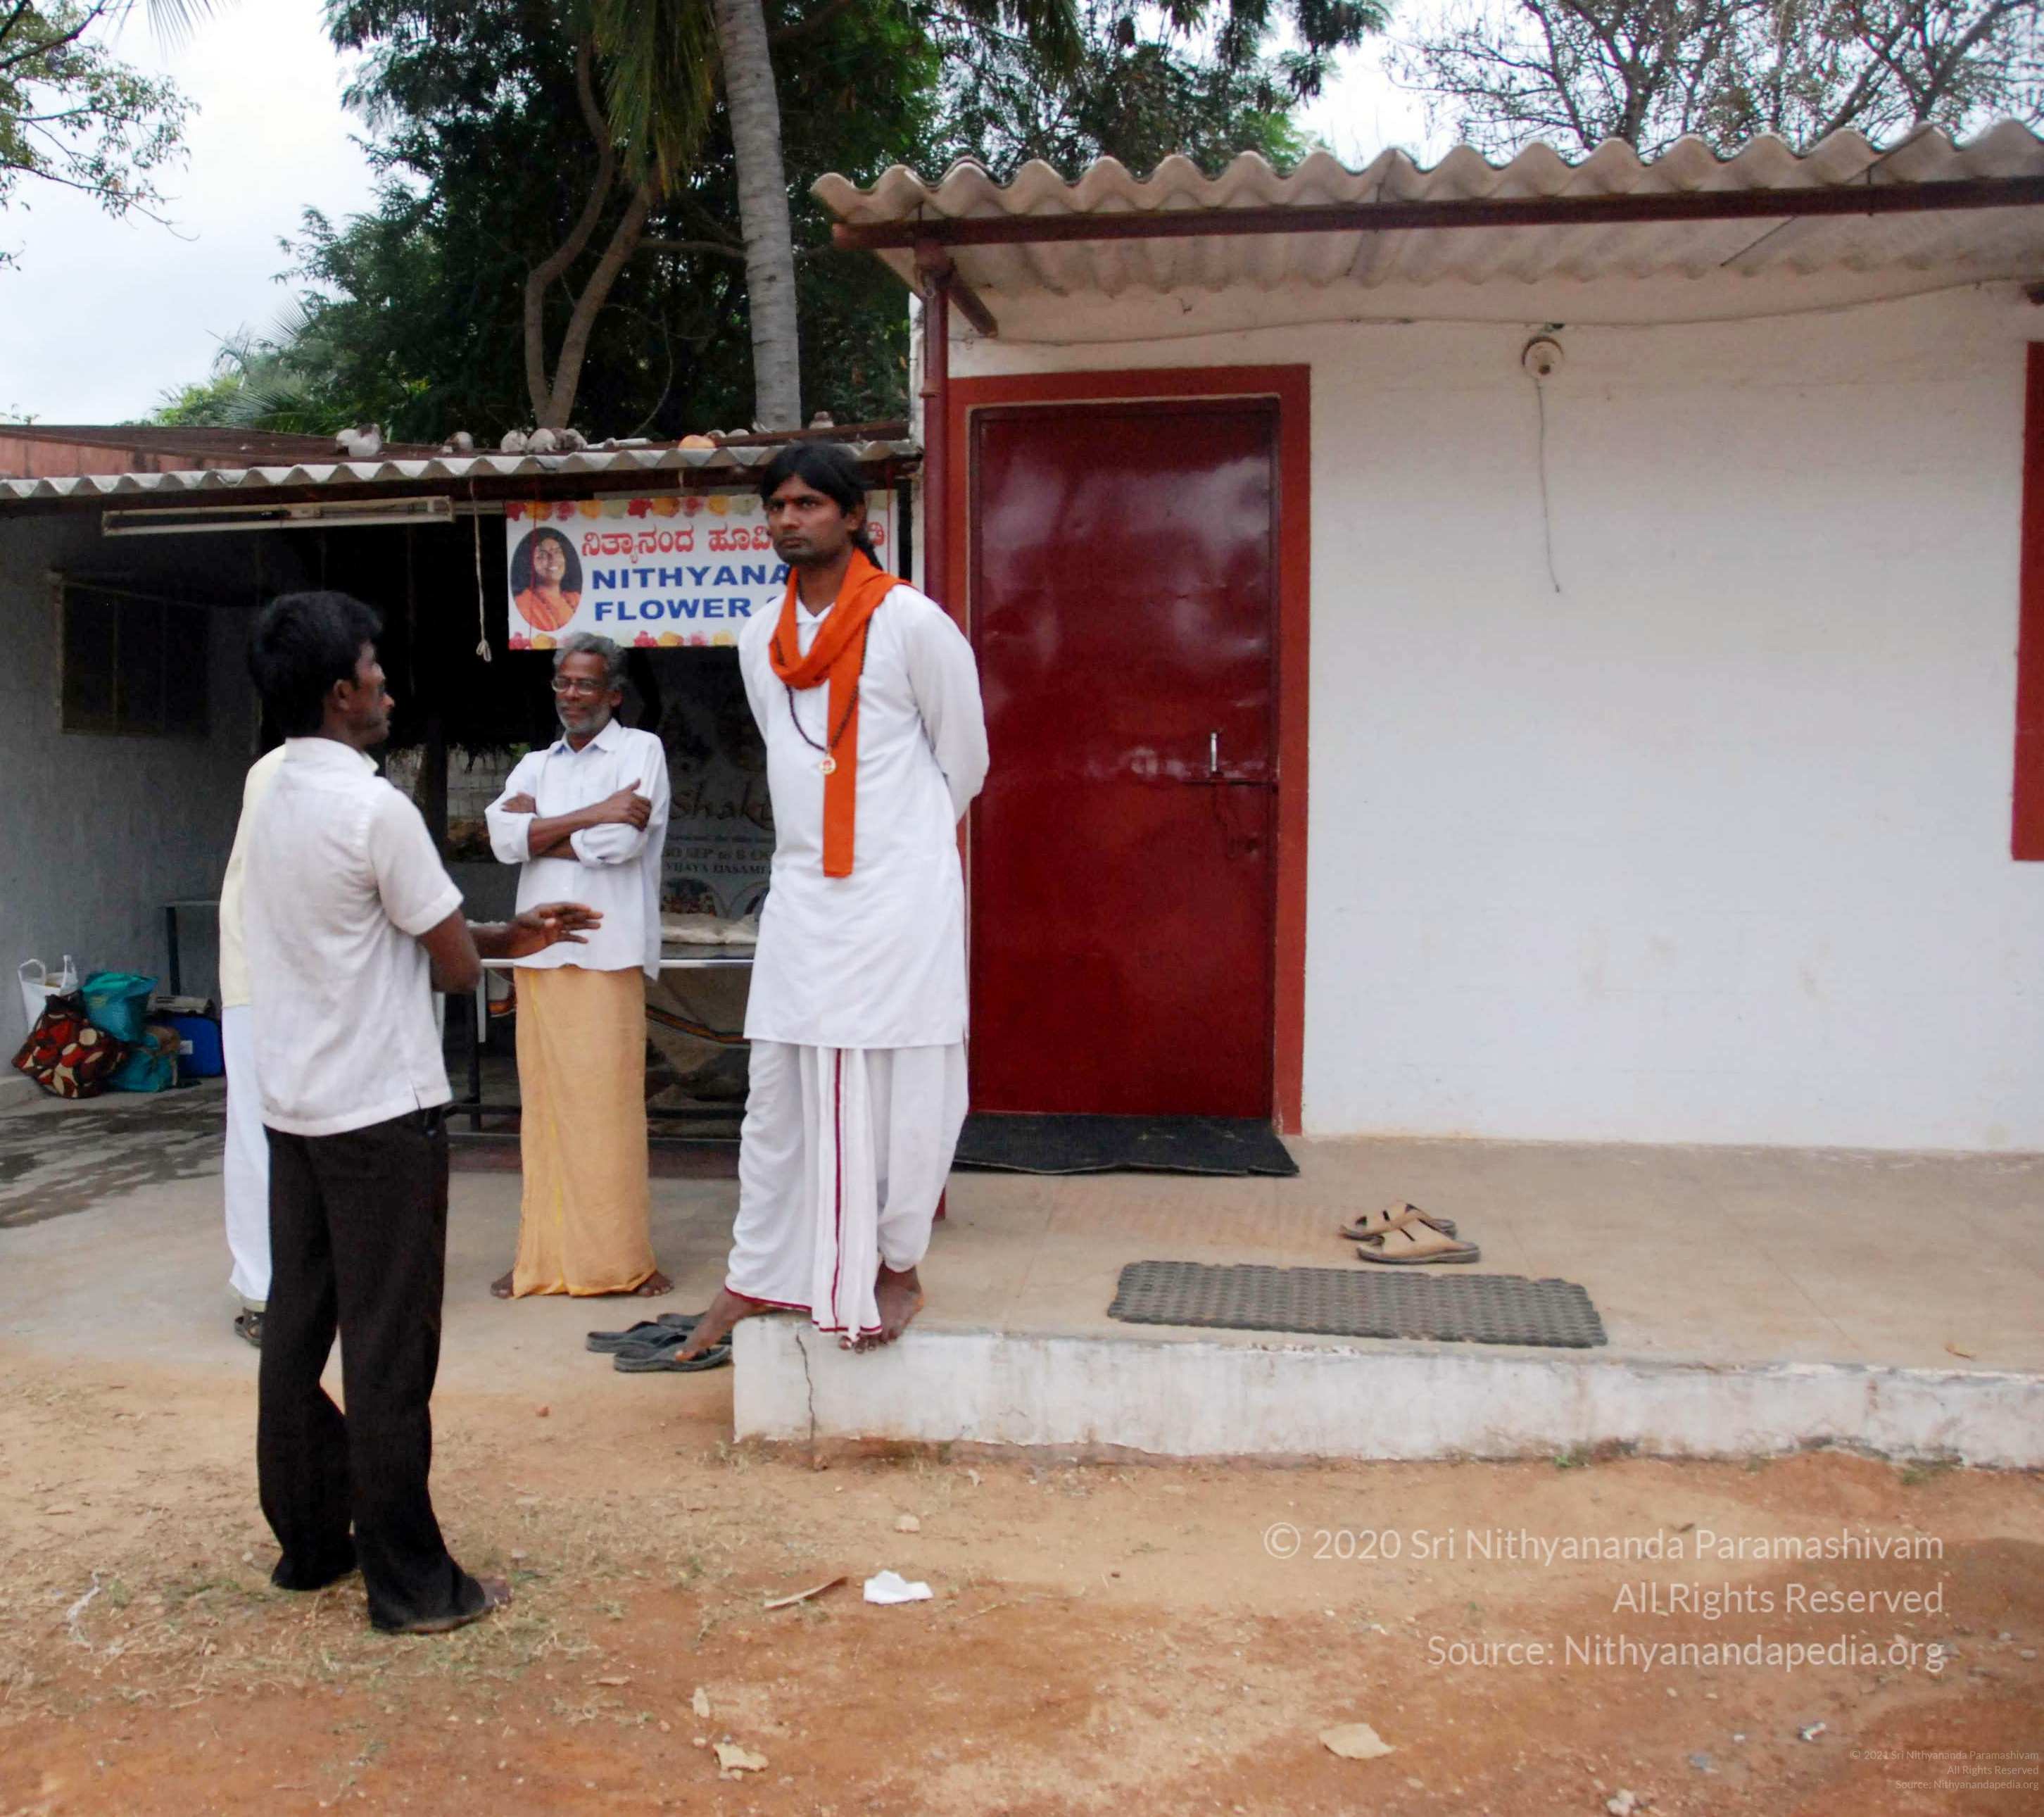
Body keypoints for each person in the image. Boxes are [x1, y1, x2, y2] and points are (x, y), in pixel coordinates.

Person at [242, 589, 600, 1635]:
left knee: (296, 1330)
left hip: (297, 1106)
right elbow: (447, 965)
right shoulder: (375, 808)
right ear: (338, 692)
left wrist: (507, 935)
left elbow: (384, 931)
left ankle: (312, 1541)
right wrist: (484, 944)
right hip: (382, 1114)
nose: (389, 691)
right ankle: (411, 1585)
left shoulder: (270, 789)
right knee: (390, 1353)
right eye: (375, 673)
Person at [673, 442, 988, 1362]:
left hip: (899, 892)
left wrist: (900, 845)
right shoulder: (757, 636)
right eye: (777, 504)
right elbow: (788, 753)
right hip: (805, 891)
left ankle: (897, 1264)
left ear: (854, 517)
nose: (789, 518)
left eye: (810, 503)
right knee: (780, 1084)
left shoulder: (912, 622)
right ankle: (760, 1272)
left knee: (904, 1081)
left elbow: (964, 760)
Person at [484, 631, 673, 1300]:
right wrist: (590, 814)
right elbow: (502, 840)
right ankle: (542, 1258)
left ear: (613, 694)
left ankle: (621, 1262)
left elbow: (620, 844)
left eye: (586, 684)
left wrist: (541, 831)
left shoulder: (641, 750)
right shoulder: (535, 763)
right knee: (544, 1114)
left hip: (606, 951)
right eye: (563, 682)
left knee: (606, 1113)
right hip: (538, 952)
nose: (571, 694)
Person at [215, 742, 288, 1347]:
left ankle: (319, 1286)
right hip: (267, 985)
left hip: (315, 987)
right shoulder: (279, 771)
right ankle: (266, 1293)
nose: (390, 700)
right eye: (377, 694)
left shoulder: (347, 774)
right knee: (261, 1138)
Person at [511, 526, 581, 633]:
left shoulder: (575, 599)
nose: (553, 559)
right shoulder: (524, 605)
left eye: (557, 552)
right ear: (529, 565)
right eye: (542, 555)